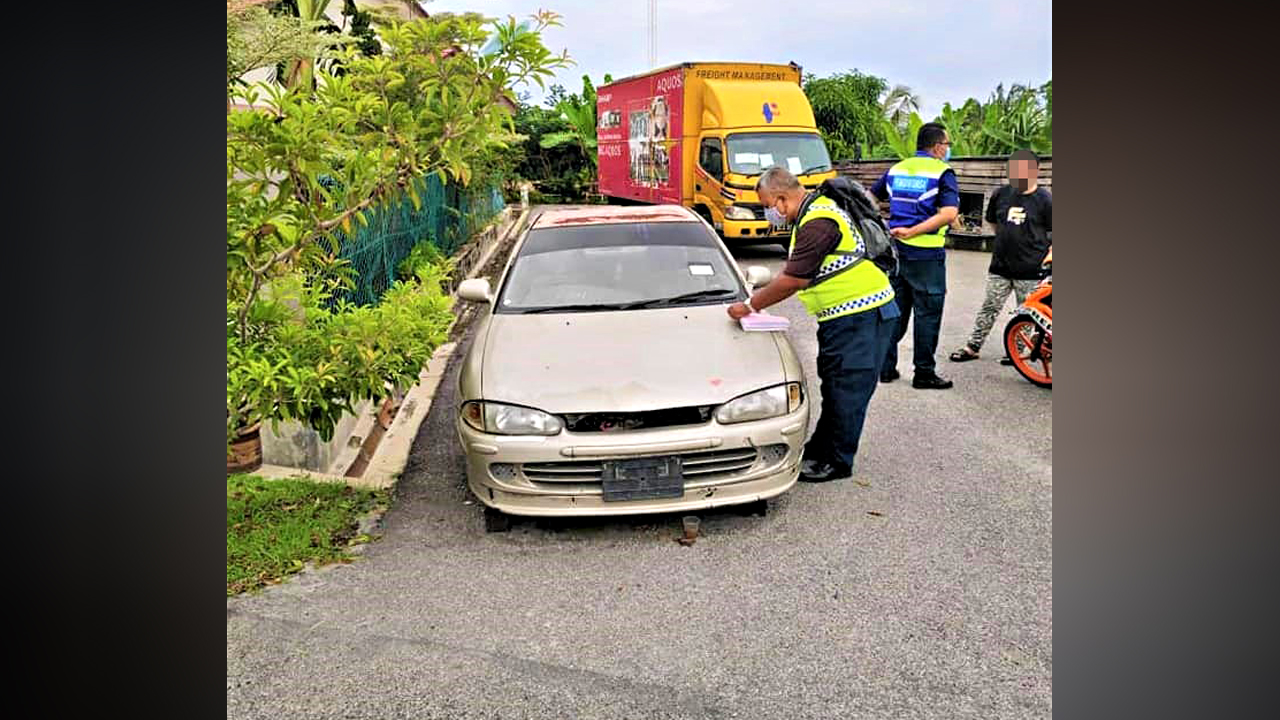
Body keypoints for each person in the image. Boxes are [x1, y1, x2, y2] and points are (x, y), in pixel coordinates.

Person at [727, 167, 900, 483]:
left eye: (767, 205)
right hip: (844, 317)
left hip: (863, 316)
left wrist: (750, 305)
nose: (769, 214)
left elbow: (794, 279)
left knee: (847, 389)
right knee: (835, 384)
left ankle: (837, 461)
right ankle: (821, 449)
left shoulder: (818, 222)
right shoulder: (813, 213)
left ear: (781, 199)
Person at [870, 122, 959, 389]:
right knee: (927, 313)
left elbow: (867, 196)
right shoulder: (942, 172)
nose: (947, 149)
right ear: (937, 146)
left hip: (895, 251)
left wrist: (882, 224)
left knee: (894, 310)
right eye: (947, 144)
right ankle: (924, 373)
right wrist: (913, 230)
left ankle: (885, 368)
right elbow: (948, 214)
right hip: (926, 255)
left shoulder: (897, 169)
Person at [949, 149, 1052, 364]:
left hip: (1031, 270)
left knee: (1027, 315)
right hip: (1000, 266)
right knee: (989, 307)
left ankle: (1017, 352)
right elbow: (994, 224)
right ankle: (973, 346)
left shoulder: (1045, 200)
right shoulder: (1000, 194)